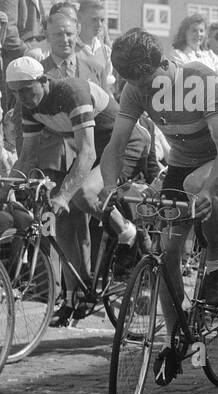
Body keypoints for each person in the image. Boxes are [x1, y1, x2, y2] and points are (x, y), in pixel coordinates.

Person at [100, 29, 218, 385]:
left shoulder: (199, 78)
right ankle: (175, 338)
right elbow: (117, 144)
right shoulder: (135, 88)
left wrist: (208, 191)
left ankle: (216, 262)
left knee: (195, 186)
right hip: (184, 164)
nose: (144, 89)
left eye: (147, 79)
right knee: (168, 250)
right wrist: (110, 187)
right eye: (134, 82)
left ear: (162, 64)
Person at [1, 56, 150, 322]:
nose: (21, 96)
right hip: (96, 150)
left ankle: (130, 233)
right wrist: (5, 192)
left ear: (44, 81)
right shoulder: (29, 106)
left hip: (125, 144)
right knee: (67, 221)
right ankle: (75, 297)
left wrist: (64, 194)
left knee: (83, 194)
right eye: (15, 92)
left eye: (26, 89)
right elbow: (27, 157)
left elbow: (86, 153)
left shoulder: (71, 92)